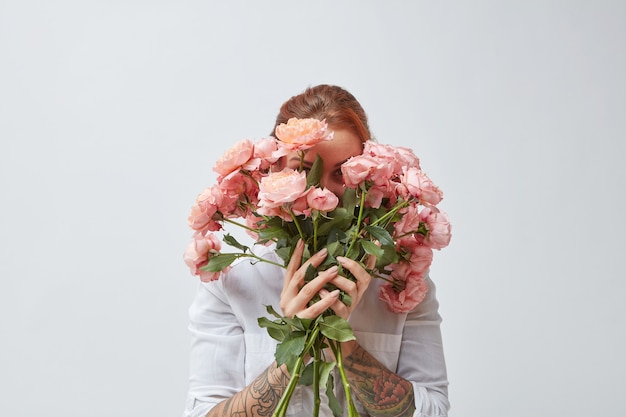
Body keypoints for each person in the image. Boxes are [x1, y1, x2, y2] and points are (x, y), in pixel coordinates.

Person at [183, 84, 450, 417]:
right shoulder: (233, 278)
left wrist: (342, 341)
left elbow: (434, 411)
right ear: (274, 173)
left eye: (342, 172)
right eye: (303, 168)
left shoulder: (401, 281)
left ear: (372, 175)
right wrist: (299, 341)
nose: (323, 192)